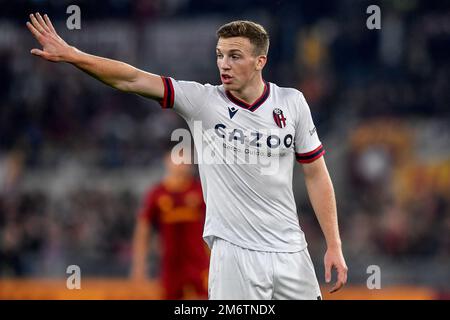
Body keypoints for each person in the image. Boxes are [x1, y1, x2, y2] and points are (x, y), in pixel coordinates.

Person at [26, 13, 348, 299]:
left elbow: (316, 173)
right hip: (234, 254)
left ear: (260, 61)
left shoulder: (292, 103)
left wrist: (333, 244)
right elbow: (132, 78)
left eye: (235, 56)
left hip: (291, 250)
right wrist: (73, 55)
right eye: (220, 55)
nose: (224, 64)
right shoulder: (202, 101)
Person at [131, 150, 209, 299]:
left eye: (186, 159)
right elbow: (143, 230)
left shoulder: (200, 191)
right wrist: (139, 265)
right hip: (170, 264)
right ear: (167, 160)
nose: (182, 163)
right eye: (178, 158)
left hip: (199, 261)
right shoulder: (157, 193)